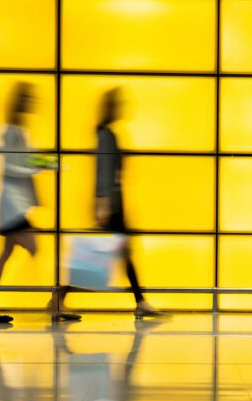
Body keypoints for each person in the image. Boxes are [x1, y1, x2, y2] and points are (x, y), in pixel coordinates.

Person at [51, 88, 167, 320]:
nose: (123, 107)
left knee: (115, 256)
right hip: (111, 205)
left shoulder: (108, 134)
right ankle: (59, 299)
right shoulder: (105, 135)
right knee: (100, 259)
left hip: (114, 202)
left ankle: (140, 301)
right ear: (111, 107)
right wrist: (102, 205)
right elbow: (103, 171)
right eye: (119, 104)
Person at [0, 82, 63, 323]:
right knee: (35, 249)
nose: (31, 103)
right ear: (20, 102)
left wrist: (47, 162)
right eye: (27, 98)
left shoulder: (18, 131)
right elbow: (13, 166)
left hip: (12, 206)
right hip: (12, 207)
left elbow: (28, 158)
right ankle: (54, 304)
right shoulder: (11, 131)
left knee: (5, 255)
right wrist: (43, 164)